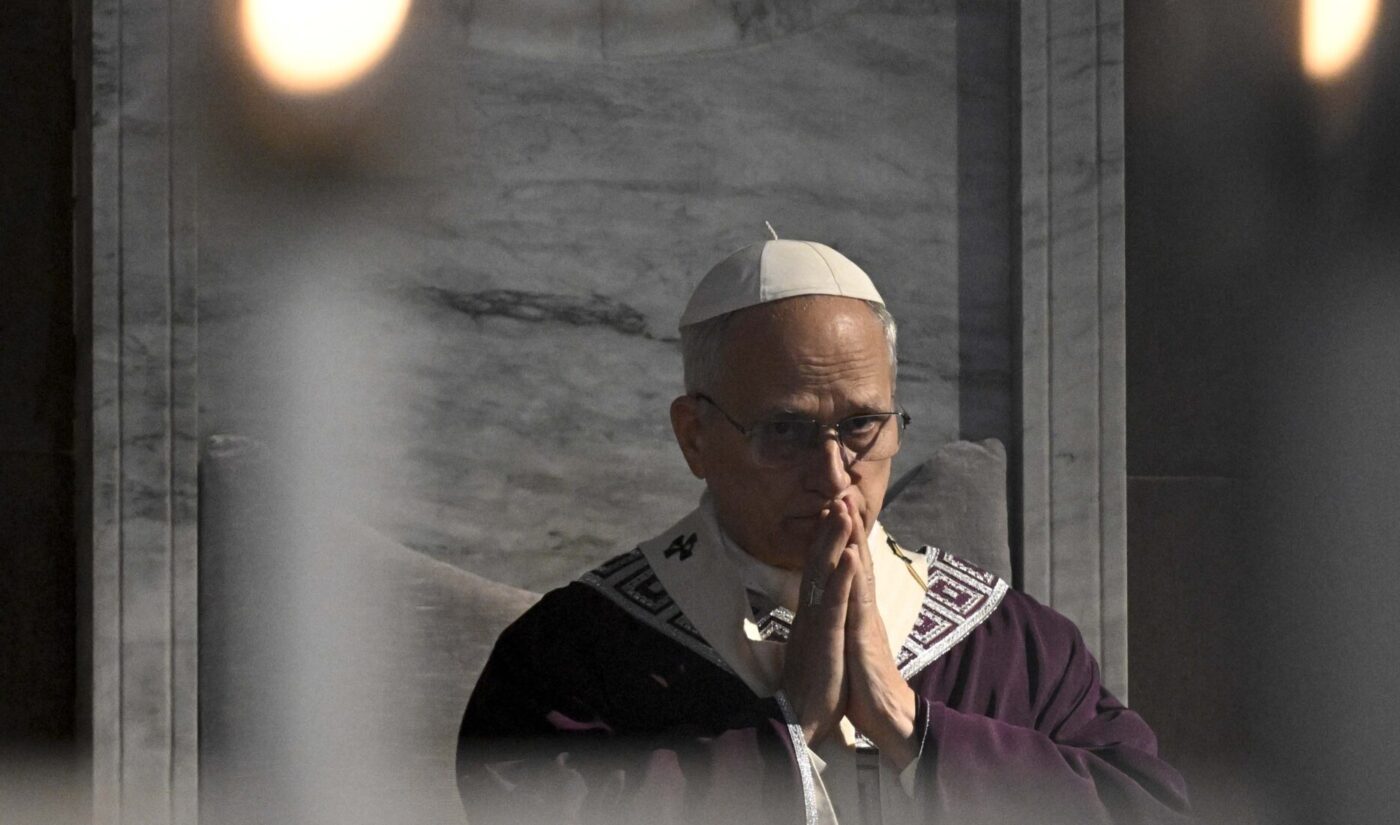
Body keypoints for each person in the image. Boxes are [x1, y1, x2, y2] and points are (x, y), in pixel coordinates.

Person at [456, 238, 1189, 825]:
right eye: (786, 430)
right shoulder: (573, 654)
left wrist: (911, 725)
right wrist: (788, 728)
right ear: (695, 436)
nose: (834, 473)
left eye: (862, 425)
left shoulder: (1013, 645)